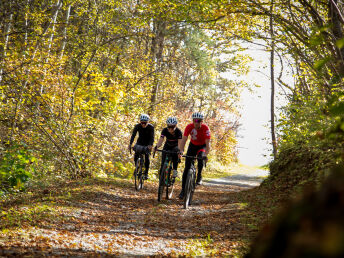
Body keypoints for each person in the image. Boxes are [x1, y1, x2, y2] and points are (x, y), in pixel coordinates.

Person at [178, 112, 211, 199]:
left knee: (200, 157)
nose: (196, 122)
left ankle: (199, 175)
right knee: (186, 168)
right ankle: (183, 190)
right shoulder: (189, 127)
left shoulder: (205, 128)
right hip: (192, 145)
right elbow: (184, 140)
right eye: (195, 120)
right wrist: (181, 151)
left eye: (199, 121)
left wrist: (205, 155)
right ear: (193, 121)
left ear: (202, 121)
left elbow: (208, 144)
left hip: (202, 146)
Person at [128, 114, 155, 179]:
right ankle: (137, 167)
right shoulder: (137, 126)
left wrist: (150, 145)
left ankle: (146, 173)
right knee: (136, 155)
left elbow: (152, 137)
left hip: (147, 143)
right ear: (140, 122)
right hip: (139, 142)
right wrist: (130, 144)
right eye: (142, 123)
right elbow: (133, 135)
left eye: (145, 123)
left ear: (148, 122)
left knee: (147, 157)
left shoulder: (151, 127)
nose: (143, 124)